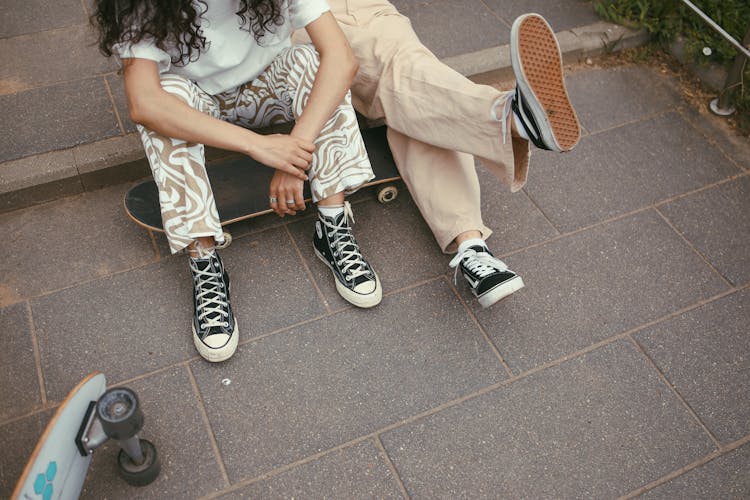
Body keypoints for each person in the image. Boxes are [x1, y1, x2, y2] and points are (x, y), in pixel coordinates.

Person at [93, 0, 383, 363]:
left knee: (313, 63)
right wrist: (258, 147)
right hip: (198, 101)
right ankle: (204, 262)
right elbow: (144, 103)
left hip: (268, 85)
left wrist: (294, 156)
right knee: (161, 112)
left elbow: (341, 58)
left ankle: (332, 223)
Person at [294, 2, 581, 308]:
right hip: (301, 19)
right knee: (403, 78)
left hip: (370, 7)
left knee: (413, 95)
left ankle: (472, 248)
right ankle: (509, 118)